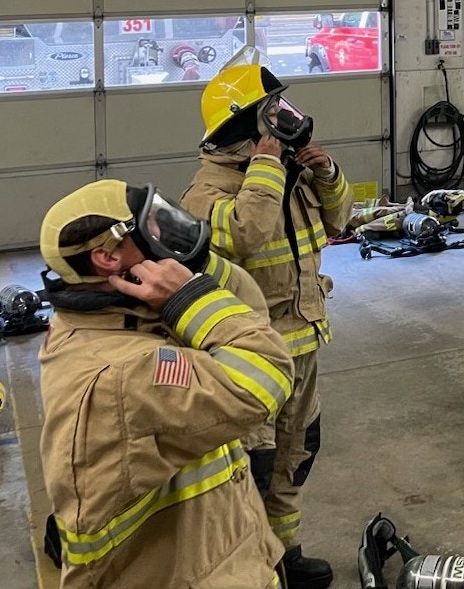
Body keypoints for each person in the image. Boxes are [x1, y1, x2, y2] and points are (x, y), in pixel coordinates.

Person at [38, 179, 294, 588]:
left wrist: (193, 266)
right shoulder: (126, 372)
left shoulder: (114, 317)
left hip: (211, 555)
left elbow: (251, 310)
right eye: (153, 226)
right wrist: (190, 297)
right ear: (107, 257)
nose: (169, 231)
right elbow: (266, 376)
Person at [180, 56, 353, 587]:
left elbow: (339, 220)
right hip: (251, 357)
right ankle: (250, 567)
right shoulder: (206, 194)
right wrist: (267, 168)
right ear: (246, 124)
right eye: (272, 110)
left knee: (297, 451)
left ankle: (285, 554)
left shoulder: (285, 172)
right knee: (251, 467)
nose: (285, 117)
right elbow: (244, 236)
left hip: (303, 342)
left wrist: (327, 176)